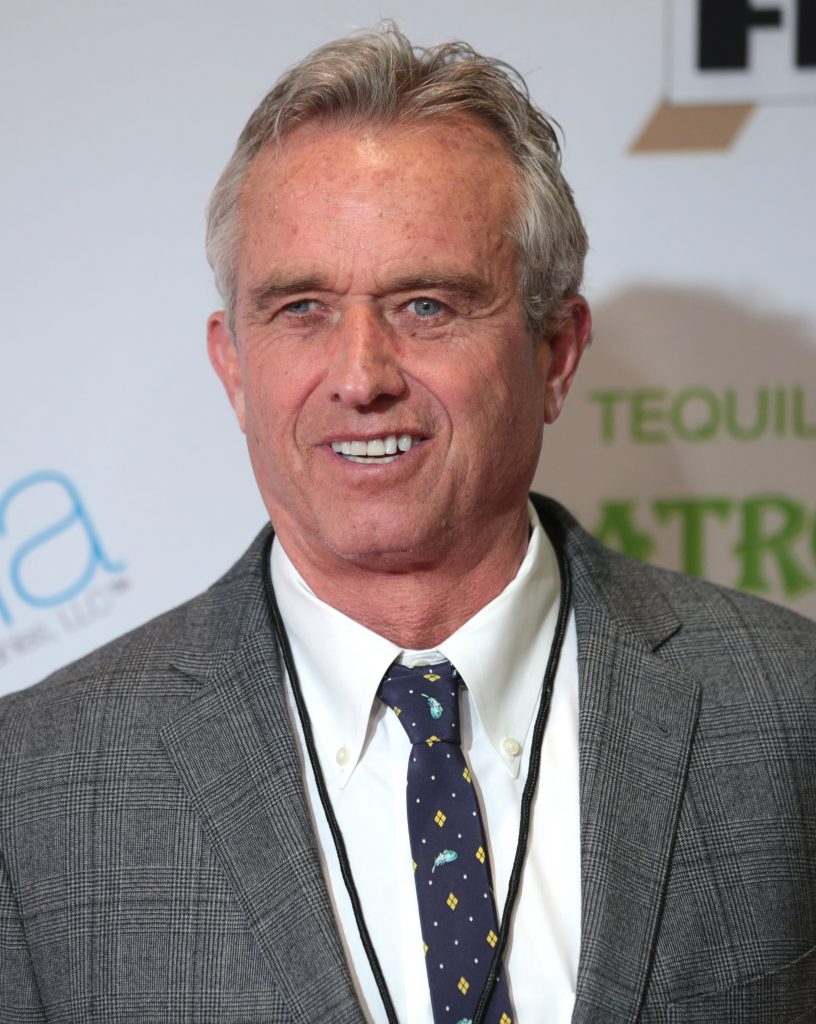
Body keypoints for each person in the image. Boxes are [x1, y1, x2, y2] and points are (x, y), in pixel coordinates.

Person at [1, 24, 814, 1024]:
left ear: (556, 352)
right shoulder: (33, 788)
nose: (360, 377)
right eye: (301, 308)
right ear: (234, 367)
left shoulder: (787, 711)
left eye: (425, 305)